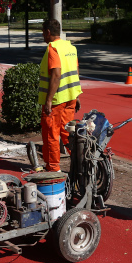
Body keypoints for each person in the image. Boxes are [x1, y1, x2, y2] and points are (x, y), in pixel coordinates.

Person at [39, 18, 82, 172]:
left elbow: (56, 75)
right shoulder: (70, 47)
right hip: (70, 98)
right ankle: (80, 163)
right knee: (68, 133)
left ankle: (53, 169)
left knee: (51, 134)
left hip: (57, 100)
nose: (43, 36)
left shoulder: (53, 48)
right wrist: (76, 96)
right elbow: (75, 73)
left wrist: (48, 100)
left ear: (48, 32)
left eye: (43, 33)